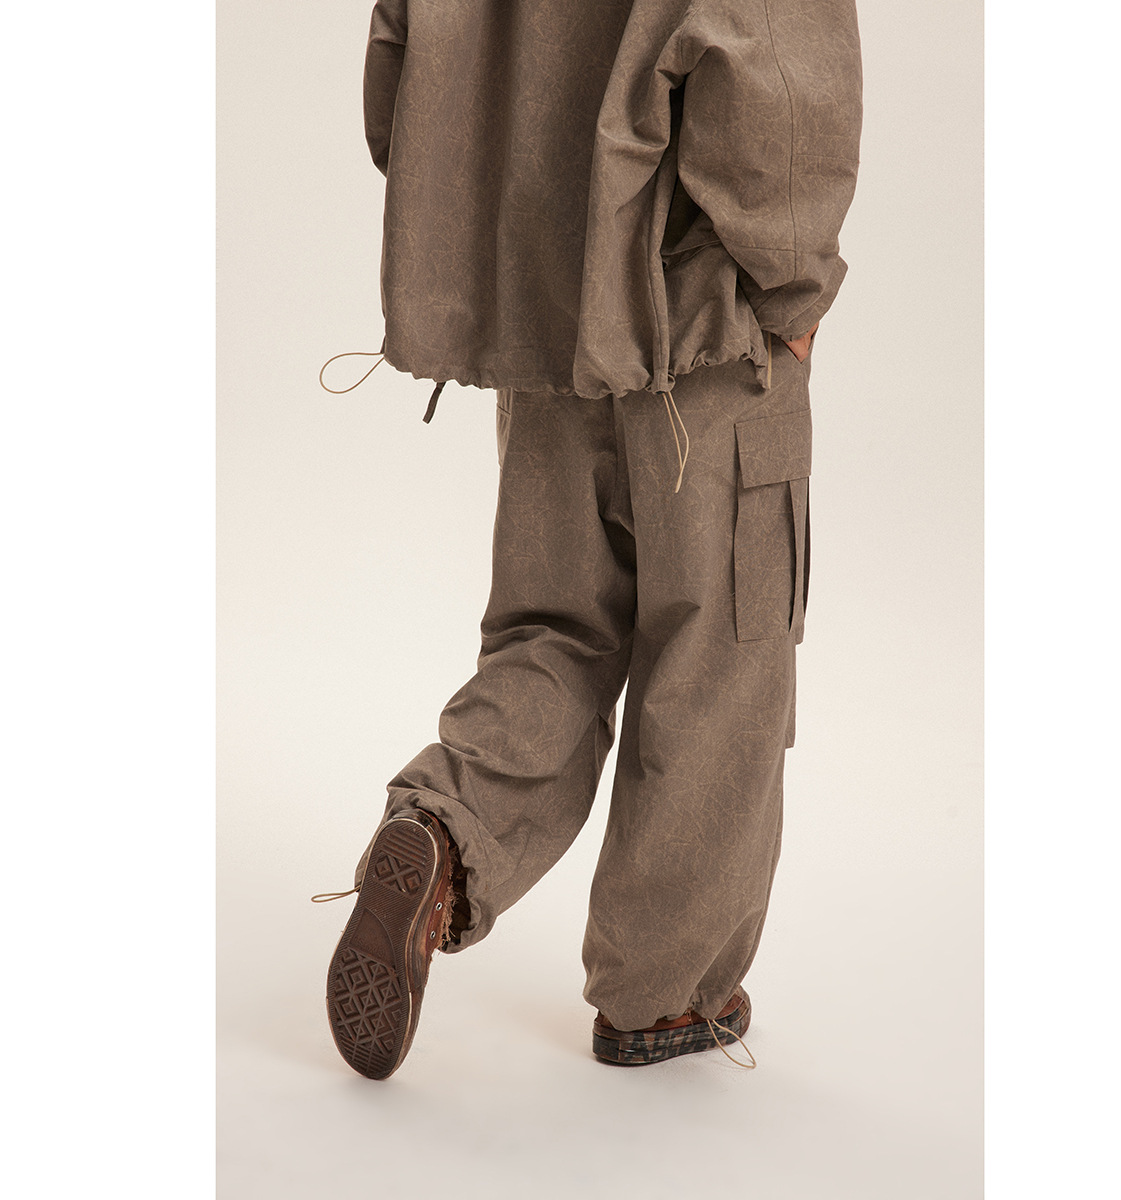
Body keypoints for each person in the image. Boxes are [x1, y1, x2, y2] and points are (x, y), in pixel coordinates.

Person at [314, 0, 863, 1079]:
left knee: (551, 633)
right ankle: (664, 999)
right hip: (705, 324)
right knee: (719, 661)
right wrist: (793, 286)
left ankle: (442, 831)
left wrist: (504, 230)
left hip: (551, 314)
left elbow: (399, 56)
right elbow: (772, 60)